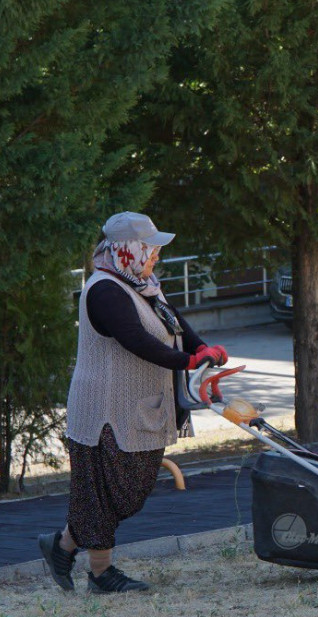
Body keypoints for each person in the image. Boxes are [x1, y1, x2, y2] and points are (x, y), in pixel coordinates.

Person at [38, 211, 228, 594]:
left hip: (138, 405)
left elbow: (173, 322)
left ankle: (61, 546)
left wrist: (201, 348)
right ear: (129, 250)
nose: (156, 255)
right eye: (151, 248)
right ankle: (101, 574)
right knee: (107, 489)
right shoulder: (105, 290)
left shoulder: (142, 283)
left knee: (127, 490)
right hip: (104, 407)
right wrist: (188, 362)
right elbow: (136, 341)